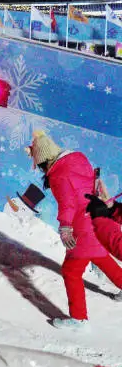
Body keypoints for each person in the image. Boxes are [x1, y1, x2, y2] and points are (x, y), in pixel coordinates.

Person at [28, 131, 122, 329]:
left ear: (44, 161)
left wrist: (65, 227)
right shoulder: (78, 159)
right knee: (100, 255)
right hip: (98, 217)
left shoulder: (58, 176)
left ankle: (78, 319)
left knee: (71, 270)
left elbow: (68, 204)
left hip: (83, 225)